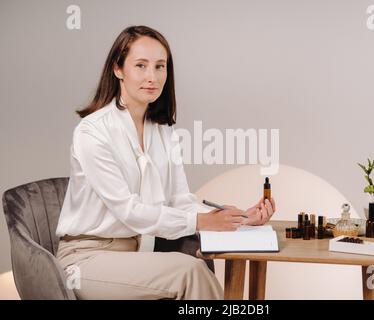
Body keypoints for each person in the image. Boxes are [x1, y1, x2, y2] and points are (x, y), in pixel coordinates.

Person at [55, 25, 276, 300]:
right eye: (141, 65)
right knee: (189, 272)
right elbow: (129, 210)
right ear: (118, 69)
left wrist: (240, 219)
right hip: (86, 260)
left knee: (192, 268)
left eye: (160, 66)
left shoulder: (162, 131)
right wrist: (201, 221)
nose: (152, 77)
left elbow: (179, 200)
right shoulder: (92, 132)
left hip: (136, 255)